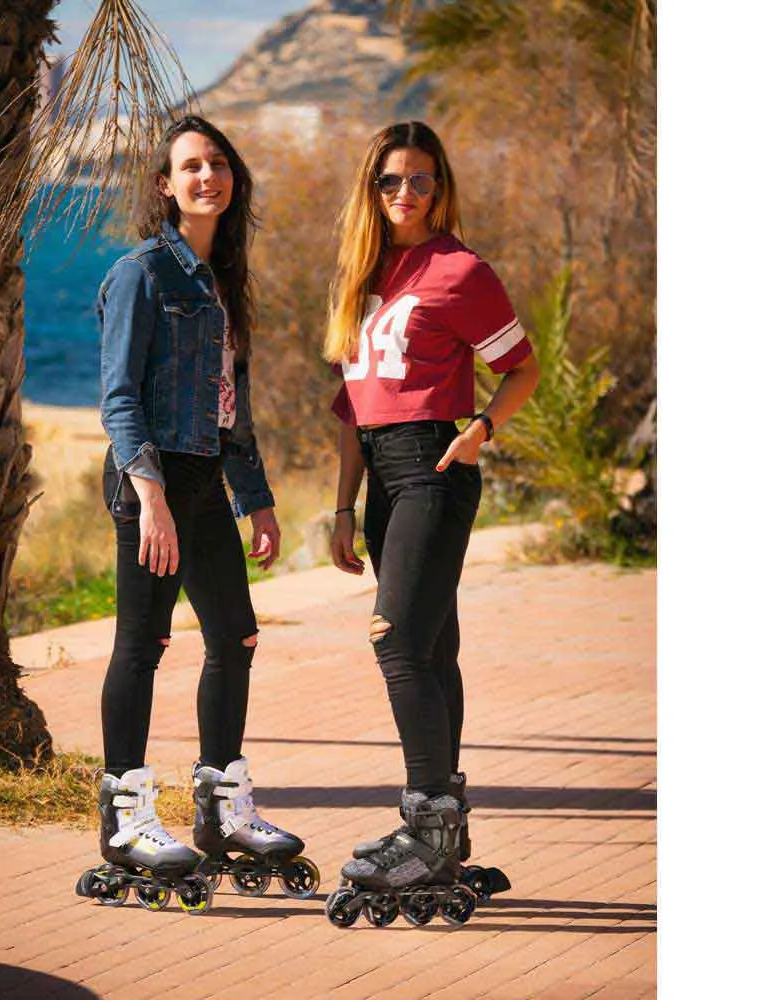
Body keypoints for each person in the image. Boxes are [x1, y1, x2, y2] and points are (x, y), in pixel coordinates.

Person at [75, 116, 317, 914]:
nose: (206, 176)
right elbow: (117, 398)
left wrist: (258, 500)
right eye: (190, 166)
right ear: (166, 185)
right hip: (151, 483)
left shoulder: (224, 282)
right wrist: (151, 497)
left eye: (218, 164)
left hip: (207, 480)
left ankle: (220, 807)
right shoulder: (141, 273)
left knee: (235, 637)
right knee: (142, 644)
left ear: (232, 179)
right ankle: (125, 817)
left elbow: (230, 407)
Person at [323, 121, 540, 925]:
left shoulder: (460, 270)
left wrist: (481, 429)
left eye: (419, 179)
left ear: (440, 187)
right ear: (371, 189)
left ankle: (426, 827)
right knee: (433, 649)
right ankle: (447, 829)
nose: (404, 193)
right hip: (382, 476)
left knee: (397, 644)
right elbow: (352, 409)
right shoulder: (363, 274)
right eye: (389, 180)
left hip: (434, 468)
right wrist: (343, 508)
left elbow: (522, 369)